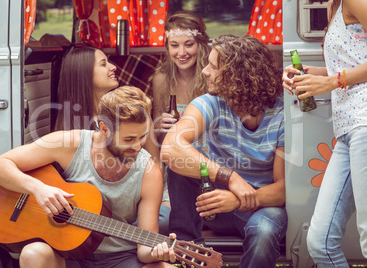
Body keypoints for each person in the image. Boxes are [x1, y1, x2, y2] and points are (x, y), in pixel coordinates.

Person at [0, 86, 177, 268]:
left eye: (142, 136)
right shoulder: (70, 144)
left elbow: (144, 249)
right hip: (66, 255)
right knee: (33, 253)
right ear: (104, 128)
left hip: (118, 258)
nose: (137, 146)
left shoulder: (149, 173)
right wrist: (38, 189)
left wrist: (156, 252)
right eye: (128, 139)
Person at [161, 34, 287, 268]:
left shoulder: (282, 114)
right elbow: (170, 147)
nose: (205, 71)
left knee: (266, 230)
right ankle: (190, 255)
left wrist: (239, 198)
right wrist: (231, 178)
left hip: (261, 206)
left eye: (213, 66)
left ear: (239, 76)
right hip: (214, 205)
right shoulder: (209, 103)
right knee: (181, 163)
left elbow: (282, 190)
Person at [282, 0, 367, 265]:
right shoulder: (334, 5)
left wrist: (332, 81)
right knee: (320, 243)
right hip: (347, 131)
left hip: (364, 124)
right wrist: (308, 75)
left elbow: (340, 76)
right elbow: (351, 62)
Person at [54, 46, 169, 235]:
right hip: (94, 211)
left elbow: (154, 163)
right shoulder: (70, 130)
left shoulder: (132, 109)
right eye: (103, 63)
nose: (113, 67)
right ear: (83, 74)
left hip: (137, 200)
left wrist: (158, 197)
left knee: (161, 220)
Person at [151, 10, 210, 222]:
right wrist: (159, 125)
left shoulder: (212, 77)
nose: (181, 52)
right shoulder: (161, 80)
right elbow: (157, 140)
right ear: (167, 47)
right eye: (174, 45)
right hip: (176, 168)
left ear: (201, 45)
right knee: (166, 220)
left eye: (189, 44)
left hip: (210, 164)